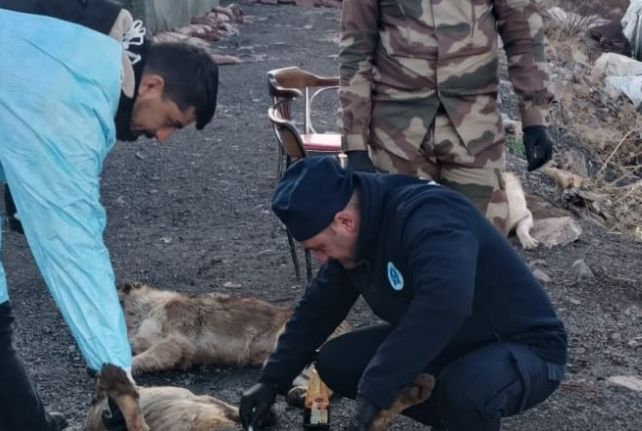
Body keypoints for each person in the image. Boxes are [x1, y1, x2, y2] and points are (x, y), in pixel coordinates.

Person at [0, 0, 219, 430]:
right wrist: (116, 375)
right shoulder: (71, 92)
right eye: (172, 123)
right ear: (152, 86)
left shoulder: (96, 51)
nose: (162, 138)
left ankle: (0, 415)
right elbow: (72, 245)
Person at [239, 157, 567, 431]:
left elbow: (444, 304)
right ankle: (457, 416)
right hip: (452, 342)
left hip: (524, 346)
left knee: (464, 391)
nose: (322, 259)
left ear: (345, 221)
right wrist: (271, 380)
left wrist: (376, 391)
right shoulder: (355, 235)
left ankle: (465, 411)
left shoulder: (429, 216)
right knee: (336, 362)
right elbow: (315, 311)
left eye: (320, 248)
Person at [339, 0, 555, 233]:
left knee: (482, 243)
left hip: (475, 132)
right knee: (399, 245)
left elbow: (522, 31)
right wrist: (355, 145)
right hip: (397, 137)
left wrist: (534, 118)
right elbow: (356, 49)